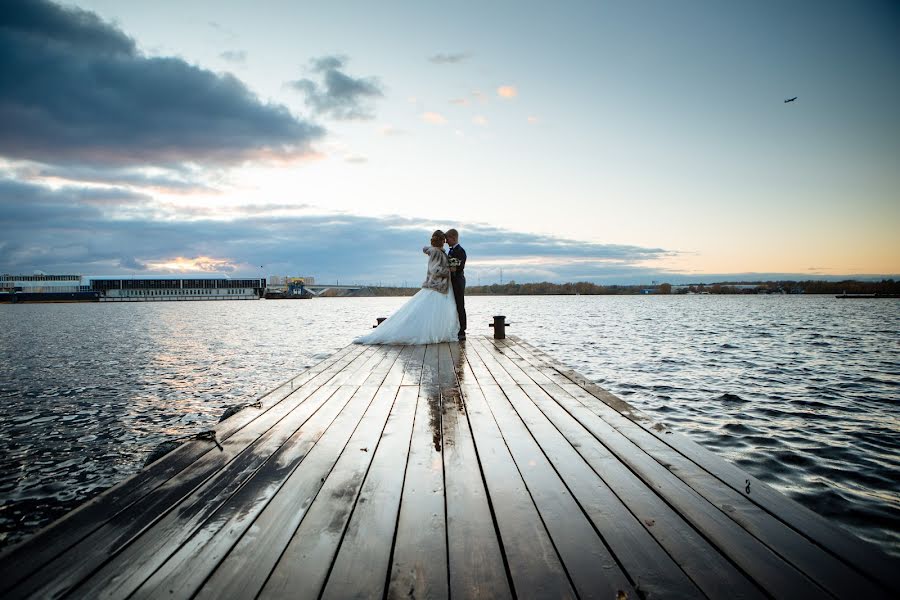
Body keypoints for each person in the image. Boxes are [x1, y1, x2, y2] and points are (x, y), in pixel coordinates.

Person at [354, 230, 460, 345]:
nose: (445, 241)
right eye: (444, 240)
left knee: (435, 313)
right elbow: (435, 270)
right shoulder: (436, 252)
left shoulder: (437, 251)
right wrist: (449, 269)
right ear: (441, 241)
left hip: (441, 287)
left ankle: (439, 333)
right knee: (432, 312)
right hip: (437, 286)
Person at [446, 228, 466, 341]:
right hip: (451, 281)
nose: (446, 241)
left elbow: (457, 268)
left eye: (447, 238)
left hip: (458, 281)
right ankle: (454, 328)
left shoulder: (461, 251)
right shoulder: (451, 251)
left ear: (453, 238)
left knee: (460, 305)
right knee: (453, 305)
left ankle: (462, 330)